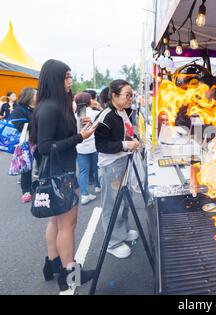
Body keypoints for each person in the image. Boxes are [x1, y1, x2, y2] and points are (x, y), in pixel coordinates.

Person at [30, 59, 96, 291]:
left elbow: (55, 139)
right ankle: (70, 273)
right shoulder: (50, 107)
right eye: (66, 77)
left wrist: (79, 127)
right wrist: (80, 137)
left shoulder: (52, 105)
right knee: (68, 224)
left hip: (59, 172)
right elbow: (46, 146)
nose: (70, 81)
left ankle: (53, 264)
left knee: (57, 221)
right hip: (61, 174)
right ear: (55, 79)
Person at [95, 79, 140, 259]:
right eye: (127, 95)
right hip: (111, 165)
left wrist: (133, 140)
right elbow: (101, 145)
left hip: (124, 160)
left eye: (132, 95)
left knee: (124, 200)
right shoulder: (106, 116)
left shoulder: (123, 112)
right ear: (114, 96)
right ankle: (112, 242)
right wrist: (125, 144)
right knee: (112, 204)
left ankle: (121, 232)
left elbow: (128, 132)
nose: (130, 99)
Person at [10, 87, 39, 203]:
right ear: (29, 96)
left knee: (43, 164)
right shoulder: (19, 109)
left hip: (39, 141)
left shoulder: (38, 107)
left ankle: (43, 187)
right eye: (36, 94)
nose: (38, 96)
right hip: (26, 143)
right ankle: (26, 191)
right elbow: (19, 125)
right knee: (26, 168)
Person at [75, 92, 101, 205]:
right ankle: (98, 186)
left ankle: (84, 195)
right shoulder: (94, 113)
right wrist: (98, 106)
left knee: (83, 171)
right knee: (97, 167)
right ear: (89, 101)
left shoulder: (73, 114)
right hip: (93, 145)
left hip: (80, 146)